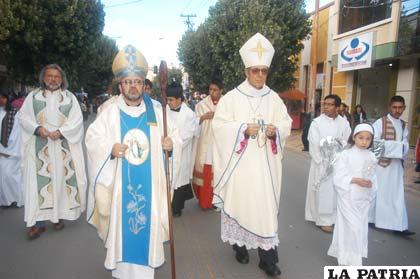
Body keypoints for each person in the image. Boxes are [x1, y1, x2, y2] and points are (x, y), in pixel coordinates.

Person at [85, 45, 179, 279]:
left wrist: (170, 144)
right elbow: (93, 138)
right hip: (119, 184)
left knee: (148, 229)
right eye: (128, 82)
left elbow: (174, 135)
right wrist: (110, 148)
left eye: (137, 81)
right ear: (120, 85)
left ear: (144, 84)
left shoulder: (157, 110)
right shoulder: (109, 110)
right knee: (121, 230)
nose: (133, 86)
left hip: (151, 184)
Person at [212, 33, 291, 277]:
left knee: (265, 211)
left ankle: (268, 259)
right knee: (240, 206)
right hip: (240, 168)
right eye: (255, 70)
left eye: (263, 71)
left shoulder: (274, 98)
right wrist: (241, 129)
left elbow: (285, 123)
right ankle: (240, 246)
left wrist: (275, 131)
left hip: (265, 169)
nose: (259, 75)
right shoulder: (231, 98)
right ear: (246, 71)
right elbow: (218, 127)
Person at [19, 64, 87, 239]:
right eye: (49, 76)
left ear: (62, 79)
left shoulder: (69, 98)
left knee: (60, 182)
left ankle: (57, 217)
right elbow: (23, 117)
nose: (53, 79)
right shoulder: (32, 97)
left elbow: (77, 121)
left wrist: (61, 132)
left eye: (57, 76)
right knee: (36, 185)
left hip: (62, 149)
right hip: (39, 148)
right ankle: (37, 223)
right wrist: (37, 128)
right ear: (43, 78)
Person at [328, 123, 377, 266]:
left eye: (368, 139)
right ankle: (348, 259)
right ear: (354, 137)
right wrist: (355, 180)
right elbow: (338, 177)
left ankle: (353, 256)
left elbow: (373, 177)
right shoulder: (346, 154)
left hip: (363, 199)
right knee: (352, 227)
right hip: (347, 197)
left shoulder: (372, 156)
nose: (364, 141)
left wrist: (371, 187)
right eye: (361, 138)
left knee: (359, 228)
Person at [305, 94, 352, 233]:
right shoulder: (317, 123)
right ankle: (322, 220)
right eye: (325, 104)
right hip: (321, 163)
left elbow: (345, 140)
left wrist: (339, 158)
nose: (326, 106)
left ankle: (335, 218)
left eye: (330, 104)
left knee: (336, 191)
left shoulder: (344, 123)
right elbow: (313, 143)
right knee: (323, 192)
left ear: (338, 107)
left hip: (337, 162)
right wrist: (322, 161)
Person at [371, 95, 415, 235]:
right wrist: (398, 147)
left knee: (396, 196)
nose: (397, 110)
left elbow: (406, 146)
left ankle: (398, 225)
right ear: (390, 107)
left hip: (396, 167)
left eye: (400, 107)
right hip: (382, 166)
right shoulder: (380, 123)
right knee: (381, 194)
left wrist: (400, 148)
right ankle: (375, 220)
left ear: (404, 108)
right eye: (394, 107)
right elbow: (375, 144)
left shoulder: (403, 125)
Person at [166, 82, 197, 217]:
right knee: (168, 179)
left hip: (181, 152)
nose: (168, 102)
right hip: (166, 152)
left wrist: (174, 143)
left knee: (179, 181)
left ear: (180, 99)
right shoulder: (164, 111)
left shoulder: (189, 114)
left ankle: (176, 208)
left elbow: (188, 135)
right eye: (167, 99)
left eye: (171, 100)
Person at [192, 79, 223, 209]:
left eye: (215, 90)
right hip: (205, 143)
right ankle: (204, 201)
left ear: (222, 90)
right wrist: (203, 118)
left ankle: (218, 201)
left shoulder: (227, 104)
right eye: (210, 89)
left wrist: (218, 117)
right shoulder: (201, 105)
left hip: (220, 144)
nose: (212, 92)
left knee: (219, 173)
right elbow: (193, 124)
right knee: (205, 173)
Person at [0, 92, 24, 207]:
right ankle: (5, 201)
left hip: (11, 151)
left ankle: (16, 199)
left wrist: (8, 151)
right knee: (2, 177)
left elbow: (17, 133)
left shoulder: (14, 113)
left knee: (11, 175)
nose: (1, 100)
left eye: (3, 97)